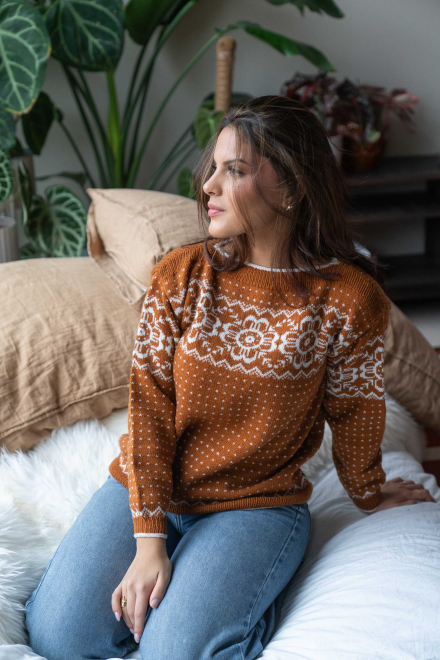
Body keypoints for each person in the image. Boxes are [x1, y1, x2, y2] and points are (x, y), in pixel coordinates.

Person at [24, 95, 435, 660]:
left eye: (235, 170)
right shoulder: (180, 275)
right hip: (152, 488)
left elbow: (355, 408)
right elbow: (149, 407)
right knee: (57, 636)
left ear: (292, 188)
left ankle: (240, 614)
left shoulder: (348, 298)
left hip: (257, 506)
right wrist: (149, 540)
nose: (208, 186)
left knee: (172, 654)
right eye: (213, 167)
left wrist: (369, 492)